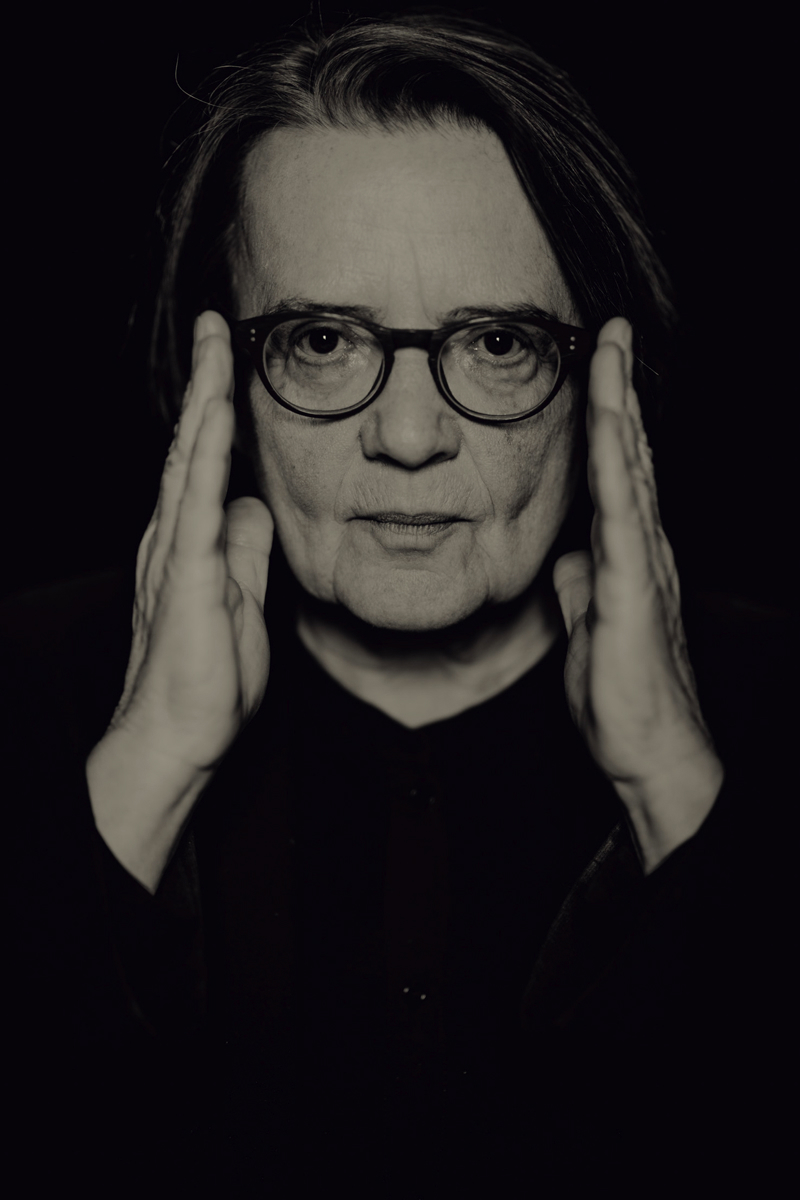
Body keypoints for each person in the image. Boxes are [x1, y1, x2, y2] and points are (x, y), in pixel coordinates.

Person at [4, 10, 785, 1195]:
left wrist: (671, 792)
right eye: (321, 338)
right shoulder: (24, 680)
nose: (409, 435)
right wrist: (149, 768)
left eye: (496, 343)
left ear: (602, 372)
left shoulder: (774, 700)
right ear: (220, 370)